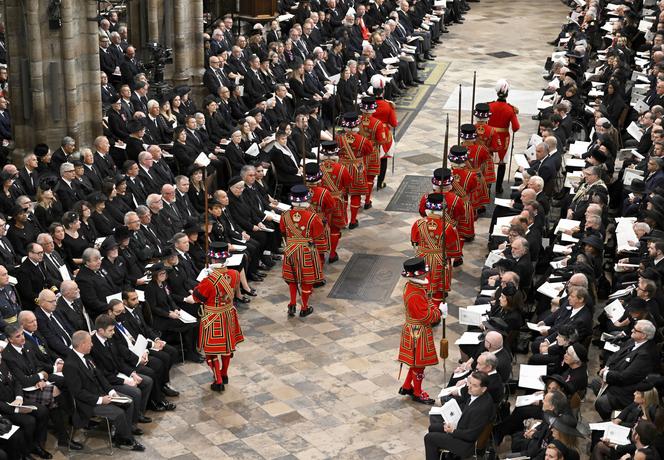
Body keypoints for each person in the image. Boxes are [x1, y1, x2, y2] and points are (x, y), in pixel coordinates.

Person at [63, 331, 145, 451]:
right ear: (82, 344)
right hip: (88, 403)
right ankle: (125, 441)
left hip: (101, 393)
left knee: (129, 401)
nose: (92, 345)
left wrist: (111, 391)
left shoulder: (86, 356)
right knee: (119, 413)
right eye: (90, 343)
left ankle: (124, 432)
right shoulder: (70, 365)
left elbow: (100, 376)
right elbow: (78, 392)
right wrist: (101, 400)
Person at [188, 242, 244, 392]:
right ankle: (224, 374)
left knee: (211, 350)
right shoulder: (235, 274)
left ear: (212, 260)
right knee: (227, 348)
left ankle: (218, 379)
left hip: (213, 317)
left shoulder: (208, 280)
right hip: (228, 314)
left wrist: (199, 285)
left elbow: (196, 298)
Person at [397, 257, 442, 405]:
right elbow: (426, 317)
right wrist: (438, 311)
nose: (425, 275)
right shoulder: (415, 293)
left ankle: (406, 386)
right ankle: (417, 392)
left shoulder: (413, 286)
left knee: (415, 362)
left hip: (414, 329)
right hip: (418, 331)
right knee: (419, 364)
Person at [424, 371, 496, 460]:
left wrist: (453, 431)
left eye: (474, 385)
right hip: (463, 429)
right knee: (433, 427)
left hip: (467, 445)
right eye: (470, 383)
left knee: (429, 438)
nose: (469, 387)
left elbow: (471, 435)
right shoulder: (478, 395)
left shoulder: (481, 409)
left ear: (484, 389)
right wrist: (452, 420)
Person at [280, 184, 326, 317]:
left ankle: (292, 303)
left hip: (290, 250)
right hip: (306, 250)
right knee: (307, 280)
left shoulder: (285, 215)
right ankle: (304, 307)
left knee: (292, 278)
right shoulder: (312, 217)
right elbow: (318, 234)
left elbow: (283, 230)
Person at [411, 193, 462, 305]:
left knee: (422, 282)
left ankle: (423, 306)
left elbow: (414, 242)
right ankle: (436, 310)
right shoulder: (448, 226)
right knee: (439, 287)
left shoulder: (417, 224)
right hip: (440, 259)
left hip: (422, 258)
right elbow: (453, 248)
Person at [335, 112, 373, 229]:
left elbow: (336, 151)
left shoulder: (339, 139)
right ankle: (353, 220)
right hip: (357, 168)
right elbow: (369, 151)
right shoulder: (363, 140)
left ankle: (344, 219)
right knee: (356, 194)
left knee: (344, 194)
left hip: (342, 168)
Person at [318, 140, 352, 263]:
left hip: (321, 201)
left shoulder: (318, 168)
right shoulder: (341, 168)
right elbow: (348, 183)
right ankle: (332, 253)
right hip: (337, 201)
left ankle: (322, 252)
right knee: (335, 229)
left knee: (321, 227)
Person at [358, 96, 391, 209]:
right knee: (370, 178)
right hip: (372, 152)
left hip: (359, 153)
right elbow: (381, 141)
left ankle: (357, 202)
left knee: (357, 178)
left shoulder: (357, 121)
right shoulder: (377, 123)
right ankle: (367, 200)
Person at [488, 79, 520, 193]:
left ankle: (487, 188)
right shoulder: (510, 109)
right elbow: (516, 127)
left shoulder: (489, 106)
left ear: (497, 92)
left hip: (490, 137)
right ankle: (498, 187)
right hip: (503, 138)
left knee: (488, 163)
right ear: (507, 93)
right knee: (501, 163)